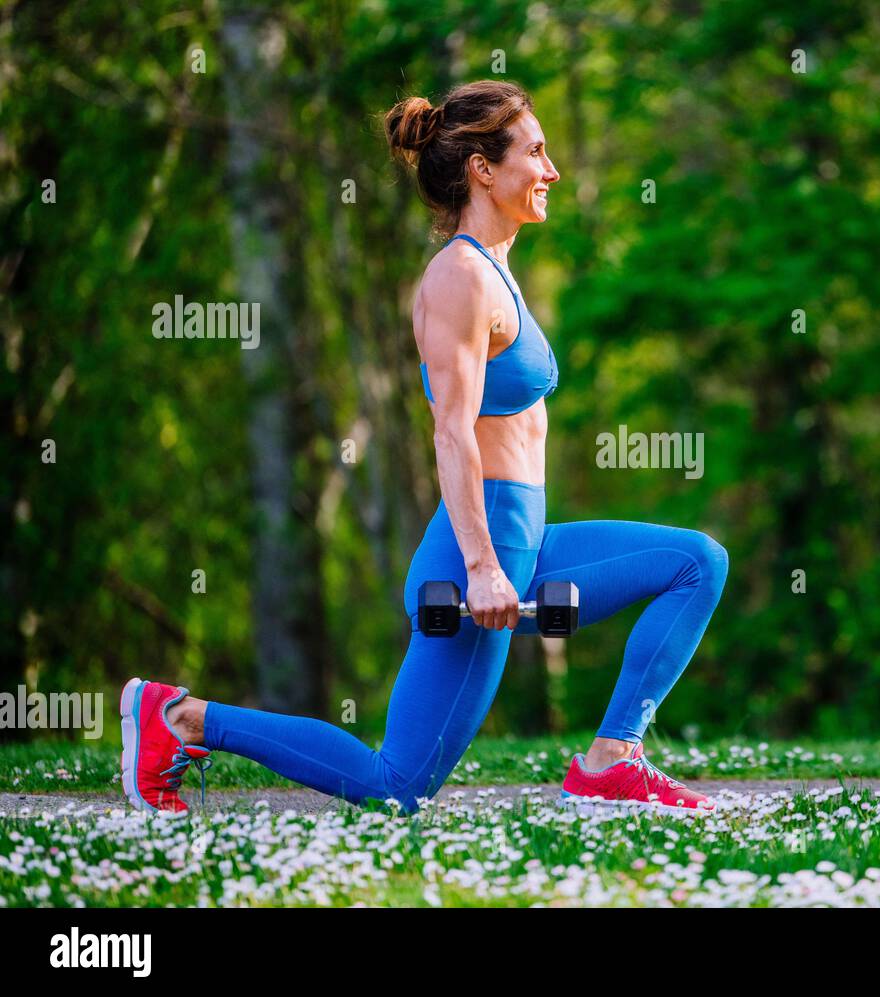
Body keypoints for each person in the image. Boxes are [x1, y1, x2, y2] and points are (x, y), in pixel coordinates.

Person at [120, 80, 728, 817]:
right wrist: (480, 567)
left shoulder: (497, 270)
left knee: (697, 562)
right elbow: (451, 427)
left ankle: (612, 758)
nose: (552, 169)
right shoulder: (460, 277)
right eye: (535, 152)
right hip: (480, 563)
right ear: (481, 168)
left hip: (524, 543)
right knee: (397, 785)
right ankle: (180, 718)